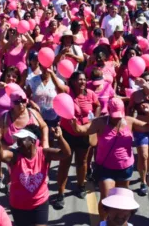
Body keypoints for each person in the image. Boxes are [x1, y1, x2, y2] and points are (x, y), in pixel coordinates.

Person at [71, 98, 149, 221]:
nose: (116, 118)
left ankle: (118, 221)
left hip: (125, 168)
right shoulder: (100, 123)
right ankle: (104, 222)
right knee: (106, 199)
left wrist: (148, 113)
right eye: (114, 115)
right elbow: (82, 130)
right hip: (106, 168)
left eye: (119, 115)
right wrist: (74, 124)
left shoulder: (129, 121)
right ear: (108, 111)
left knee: (121, 199)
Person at [0, 124, 71, 226]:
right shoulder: (14, 156)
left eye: (22, 140)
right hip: (18, 205)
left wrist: (60, 138)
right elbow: (1, 155)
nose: (18, 143)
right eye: (17, 140)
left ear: (33, 141)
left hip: (40, 203)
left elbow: (66, 153)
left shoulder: (44, 153)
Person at [55, 71, 101, 209]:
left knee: (82, 162)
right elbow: (58, 85)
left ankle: (80, 187)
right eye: (79, 80)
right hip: (67, 134)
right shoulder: (68, 92)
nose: (82, 82)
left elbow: (97, 105)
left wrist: (94, 120)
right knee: (65, 164)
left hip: (84, 133)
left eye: (84, 79)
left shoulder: (91, 94)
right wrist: (51, 72)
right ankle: (60, 194)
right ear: (74, 81)